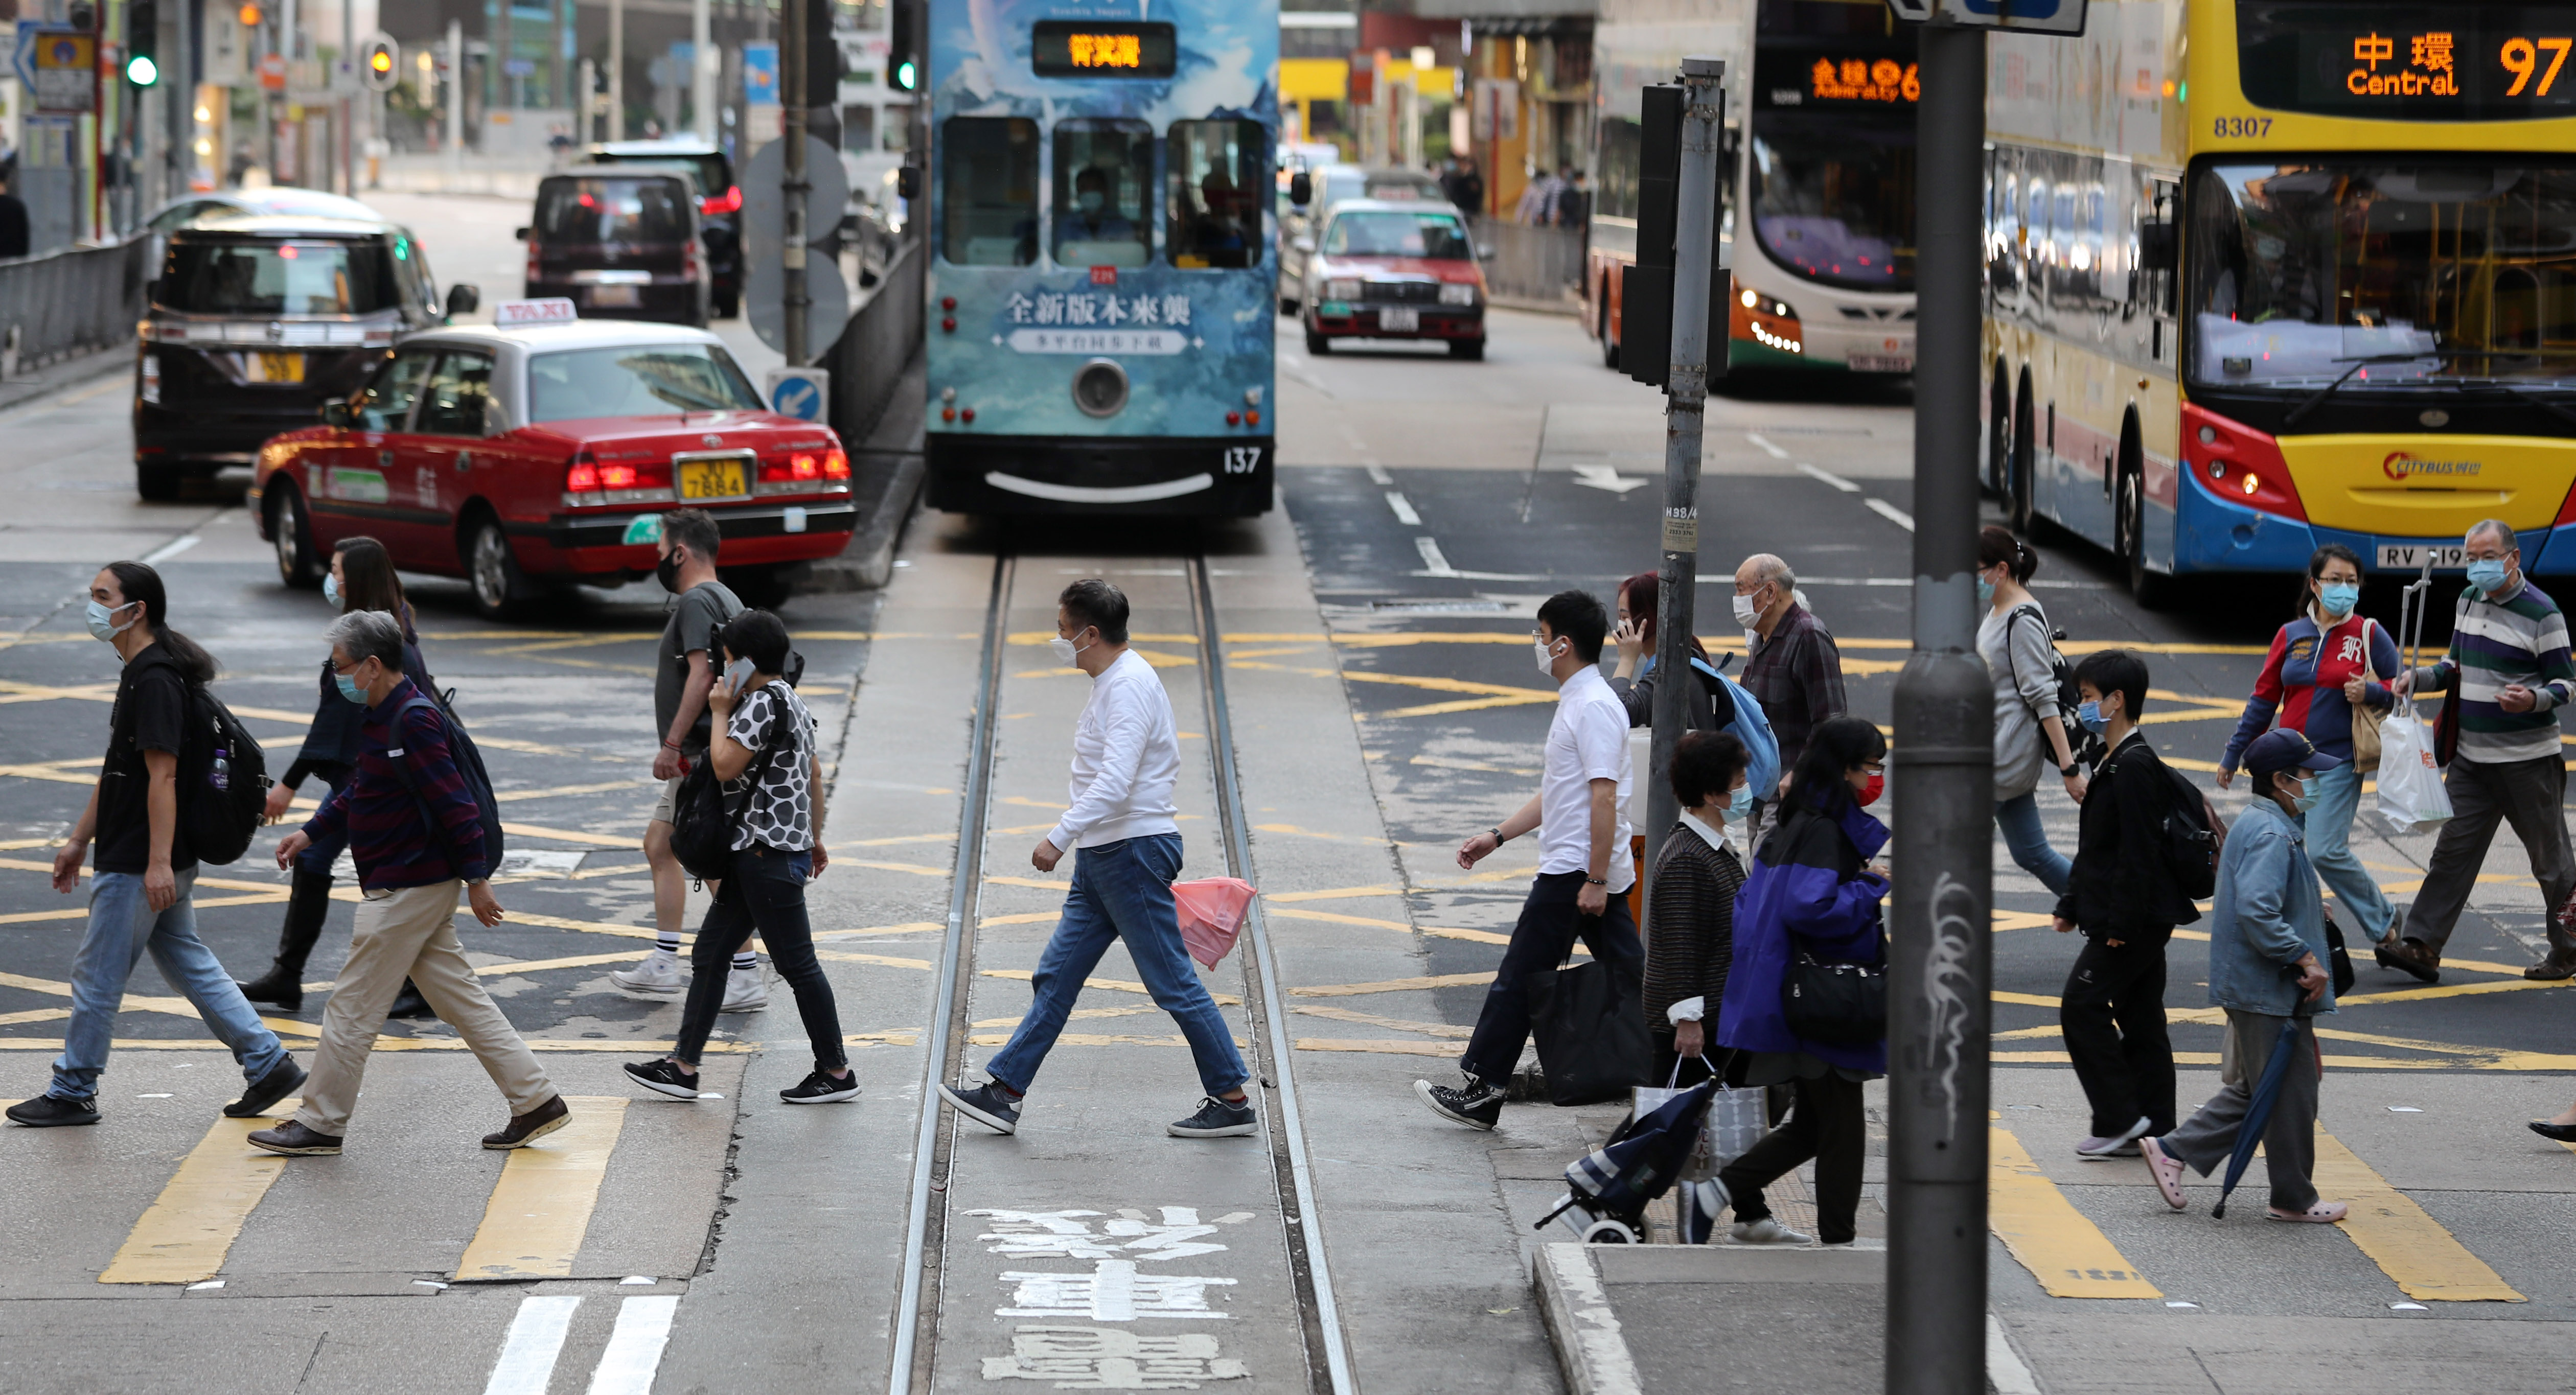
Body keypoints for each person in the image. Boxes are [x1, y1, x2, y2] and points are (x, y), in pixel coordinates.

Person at [940, 581, 1256, 1139]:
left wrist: (1058, 837)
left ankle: (1231, 1098)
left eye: (1064, 629)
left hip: (1129, 851)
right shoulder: (1113, 681)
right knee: (1056, 976)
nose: (1059, 639)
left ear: (1091, 633)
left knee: (1172, 983)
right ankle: (1004, 1092)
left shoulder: (1128, 686)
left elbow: (1116, 779)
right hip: (1106, 855)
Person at [251, 611, 568, 1155]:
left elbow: (457, 805)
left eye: (341, 669)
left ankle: (321, 1122)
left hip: (408, 885)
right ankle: (536, 1099)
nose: (336, 679)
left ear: (373, 667)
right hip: (405, 879)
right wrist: (311, 832)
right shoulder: (381, 716)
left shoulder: (413, 720)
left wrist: (477, 879)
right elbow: (361, 792)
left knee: (350, 1007)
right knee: (462, 999)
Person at [7, 563, 304, 1128]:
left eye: (102, 597)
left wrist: (160, 863)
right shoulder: (142, 671)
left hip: (142, 858)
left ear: (135, 609)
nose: (92, 607)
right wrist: (77, 840)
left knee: (97, 976)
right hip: (143, 851)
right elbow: (117, 771)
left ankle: (73, 1090)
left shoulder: (157, 680)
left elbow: (163, 778)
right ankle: (268, 1064)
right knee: (189, 962)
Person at [1415, 590, 1640, 1129]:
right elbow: (1563, 792)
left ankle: (1485, 1087)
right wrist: (1499, 835)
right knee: (1634, 979)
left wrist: (1594, 877)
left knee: (1521, 977)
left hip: (1574, 872)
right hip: (1580, 868)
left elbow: (1604, 797)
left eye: (1540, 636)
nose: (1537, 646)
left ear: (1562, 644)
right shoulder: (1580, 702)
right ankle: (1687, 1072)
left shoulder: (1591, 707)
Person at [625, 611, 857, 1106]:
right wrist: (813, 835)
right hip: (770, 853)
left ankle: (836, 1072)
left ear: (744, 662)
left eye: (726, 660)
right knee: (711, 955)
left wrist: (721, 710)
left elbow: (727, 766)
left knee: (798, 966)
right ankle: (683, 1066)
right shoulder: (792, 700)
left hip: (764, 856)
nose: (723, 670)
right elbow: (811, 777)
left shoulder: (754, 705)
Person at [2141, 729, 2347, 1224]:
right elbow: (2257, 910)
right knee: (2291, 1093)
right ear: (2282, 780)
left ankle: (2174, 1149)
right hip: (2268, 990)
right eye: (2309, 775)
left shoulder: (2258, 821)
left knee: (2265, 1087)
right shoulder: (2274, 834)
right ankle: (2292, 1197)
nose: (2316, 783)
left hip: (2256, 988)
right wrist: (2304, 956)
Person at [238, 537, 439, 1019]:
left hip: (377, 777)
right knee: (317, 860)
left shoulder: (375, 645)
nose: (330, 578)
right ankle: (288, 975)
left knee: (387, 880)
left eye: (336, 569)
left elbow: (330, 719)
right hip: (363, 773)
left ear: (358, 578)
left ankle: (419, 984)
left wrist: (287, 784)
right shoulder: (385, 627)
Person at [1708, 716, 1891, 1247]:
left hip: (1796, 990)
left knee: (1814, 1126)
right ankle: (1838, 1239)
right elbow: (1810, 907)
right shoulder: (1821, 829)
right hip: (1822, 997)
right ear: (1845, 770)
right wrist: (1871, 886)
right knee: (1842, 1126)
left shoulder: (1797, 822)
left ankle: (1714, 1193)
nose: (1876, 778)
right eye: (1871, 766)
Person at [2382, 520, 2576, 983]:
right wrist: (2420, 679)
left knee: (2552, 864)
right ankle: (2423, 946)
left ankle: (2568, 951)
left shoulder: (2543, 613)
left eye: (2487, 556)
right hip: (2472, 759)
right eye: (2471, 557)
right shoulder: (2468, 600)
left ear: (2513, 558)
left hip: (2527, 761)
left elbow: (2566, 684)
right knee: (2451, 854)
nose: (2478, 566)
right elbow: (2455, 665)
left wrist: (2533, 700)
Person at [2215, 543, 2400, 949]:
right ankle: (2297, 932)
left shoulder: (2368, 633)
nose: (2343, 588)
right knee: (2285, 850)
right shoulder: (2291, 634)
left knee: (2324, 850)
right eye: (2335, 580)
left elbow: (2400, 689)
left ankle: (2385, 925)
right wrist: (2234, 754)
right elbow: (2264, 699)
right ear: (2315, 585)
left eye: (2351, 581)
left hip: (2338, 761)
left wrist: (2372, 690)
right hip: (2288, 765)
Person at [615, 509, 764, 1009]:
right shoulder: (729, 597)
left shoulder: (697, 602)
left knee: (711, 858)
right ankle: (664, 962)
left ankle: (744, 973)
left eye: (660, 548)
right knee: (661, 846)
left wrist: (673, 745)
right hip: (708, 754)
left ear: (680, 553)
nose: (658, 558)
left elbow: (702, 676)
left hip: (698, 755)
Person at [2052, 649, 2197, 1159]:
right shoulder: (2110, 758)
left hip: (2137, 918)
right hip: (2134, 915)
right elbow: (2097, 846)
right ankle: (2158, 1129)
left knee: (2081, 1007)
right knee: (2141, 1019)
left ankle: (2118, 1119)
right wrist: (2071, 903)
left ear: (2118, 701)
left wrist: (2121, 924)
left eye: (2089, 698)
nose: (2082, 707)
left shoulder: (2135, 765)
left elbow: (2140, 853)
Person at [1978, 527, 2083, 898]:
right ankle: (2101, 912)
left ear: (2001, 570)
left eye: (1977, 571)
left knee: (1952, 847)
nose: (1973, 580)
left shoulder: (2021, 618)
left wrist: (2070, 769)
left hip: (2005, 755)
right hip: (2000, 747)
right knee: (2031, 853)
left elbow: (2043, 697)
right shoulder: (1998, 609)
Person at [1643, 731, 1750, 1088]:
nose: (1745, 789)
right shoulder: (1688, 858)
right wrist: (1689, 1021)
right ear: (1710, 795)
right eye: (1739, 783)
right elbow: (1680, 947)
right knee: (1661, 1128)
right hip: (1693, 1027)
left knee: (1679, 1128)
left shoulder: (1716, 846)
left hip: (1719, 1015)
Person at [1735, 552, 1846, 842]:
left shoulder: (1809, 636)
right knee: (1759, 880)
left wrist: (1799, 774)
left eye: (1741, 588)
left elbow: (1832, 722)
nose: (1737, 598)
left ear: (1770, 592)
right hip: (1757, 789)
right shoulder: (1761, 638)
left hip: (1789, 795)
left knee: (1765, 879)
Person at [1608, 570, 1735, 732]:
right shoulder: (1682, 659)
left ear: (1648, 619)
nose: (1621, 624)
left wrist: (1627, 659)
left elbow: (1613, 713)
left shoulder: (1668, 673)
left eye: (1625, 617)